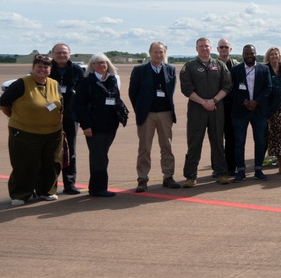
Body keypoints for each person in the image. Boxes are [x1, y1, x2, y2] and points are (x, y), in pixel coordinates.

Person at [0, 54, 64, 205]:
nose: (43, 69)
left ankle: (47, 191)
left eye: (46, 67)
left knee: (52, 163)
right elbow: (4, 103)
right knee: (25, 164)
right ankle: (20, 194)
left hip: (53, 133)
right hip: (25, 132)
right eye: (39, 66)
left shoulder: (54, 83)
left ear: (50, 69)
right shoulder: (21, 83)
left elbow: (60, 105)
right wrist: (18, 118)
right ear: (33, 68)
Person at [128, 41, 181, 192]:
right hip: (147, 114)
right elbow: (133, 93)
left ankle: (168, 176)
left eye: (161, 52)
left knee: (167, 146)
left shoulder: (170, 69)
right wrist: (140, 110)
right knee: (144, 148)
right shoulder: (139, 70)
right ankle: (142, 179)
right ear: (149, 53)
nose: (158, 55)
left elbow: (171, 91)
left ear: (165, 53)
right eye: (155, 52)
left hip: (165, 114)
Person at [180, 37, 233, 186]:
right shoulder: (189, 66)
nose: (204, 48)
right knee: (194, 142)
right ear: (196, 48)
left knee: (217, 141)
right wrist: (203, 102)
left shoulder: (220, 65)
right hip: (197, 109)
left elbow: (227, 86)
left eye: (207, 46)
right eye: (201, 46)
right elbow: (186, 89)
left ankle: (221, 173)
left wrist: (214, 101)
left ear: (211, 48)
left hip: (216, 108)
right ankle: (190, 176)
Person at [74, 53, 128, 197]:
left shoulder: (112, 80)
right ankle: (98, 188)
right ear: (92, 66)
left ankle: (97, 187)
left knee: (103, 154)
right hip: (94, 125)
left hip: (110, 124)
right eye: (97, 63)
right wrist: (85, 125)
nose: (101, 65)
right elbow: (78, 105)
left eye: (104, 63)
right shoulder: (86, 81)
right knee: (98, 156)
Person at [230, 44, 273, 181]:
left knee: (260, 141)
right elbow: (232, 89)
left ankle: (258, 170)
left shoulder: (264, 69)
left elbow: (268, 87)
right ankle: (241, 170)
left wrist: (256, 102)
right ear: (242, 54)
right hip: (240, 111)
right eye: (246, 53)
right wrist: (244, 102)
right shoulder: (235, 70)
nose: (249, 56)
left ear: (256, 54)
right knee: (239, 142)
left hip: (259, 111)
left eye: (251, 53)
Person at [50, 43, 84, 194]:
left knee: (70, 149)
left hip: (71, 116)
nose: (61, 55)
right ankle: (49, 185)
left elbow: (83, 92)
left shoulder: (76, 70)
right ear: (52, 54)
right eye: (58, 53)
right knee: (50, 151)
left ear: (69, 54)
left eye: (64, 53)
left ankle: (70, 183)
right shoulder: (47, 68)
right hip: (50, 116)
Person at [216, 38, 238, 176]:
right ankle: (217, 168)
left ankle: (231, 167)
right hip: (216, 106)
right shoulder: (212, 64)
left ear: (231, 49)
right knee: (216, 139)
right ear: (217, 49)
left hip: (232, 107)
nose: (224, 49)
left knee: (232, 138)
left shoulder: (235, 65)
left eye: (226, 47)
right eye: (221, 47)